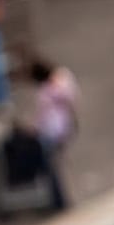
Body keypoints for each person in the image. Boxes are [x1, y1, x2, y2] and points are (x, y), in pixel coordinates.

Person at [31, 61, 78, 208]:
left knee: (51, 167)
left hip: (51, 132)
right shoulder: (63, 82)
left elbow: (42, 117)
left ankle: (59, 200)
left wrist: (34, 128)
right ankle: (62, 198)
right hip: (65, 128)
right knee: (59, 163)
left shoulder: (45, 93)